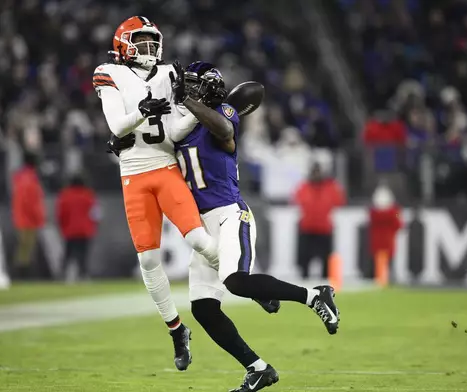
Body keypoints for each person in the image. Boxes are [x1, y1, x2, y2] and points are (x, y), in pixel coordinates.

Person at [114, 61, 341, 392]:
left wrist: (191, 101)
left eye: (190, 86)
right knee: (204, 308)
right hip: (199, 225)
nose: (182, 91)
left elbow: (225, 131)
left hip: (229, 213)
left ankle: (314, 295)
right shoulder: (177, 126)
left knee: (236, 281)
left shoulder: (222, 114)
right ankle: (257, 368)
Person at [94, 16, 222, 371]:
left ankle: (246, 282)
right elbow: (117, 125)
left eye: (153, 41)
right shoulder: (109, 73)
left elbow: (176, 131)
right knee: (148, 261)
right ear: (123, 43)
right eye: (142, 41)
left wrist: (197, 110)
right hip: (133, 174)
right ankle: (177, 331)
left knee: (199, 240)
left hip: (165, 167)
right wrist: (142, 110)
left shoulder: (169, 75)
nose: (149, 48)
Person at [293, 162, 347, 278]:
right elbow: (296, 200)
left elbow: (339, 201)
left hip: (324, 228)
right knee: (304, 258)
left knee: (326, 259)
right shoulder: (304, 187)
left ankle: (325, 281)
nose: (316, 175)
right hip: (307, 227)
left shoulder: (330, 187)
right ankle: (304, 279)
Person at [56, 174, 98, 281]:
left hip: (70, 230)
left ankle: (62, 275)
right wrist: (94, 226)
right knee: (83, 255)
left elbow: (61, 214)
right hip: (85, 230)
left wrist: (62, 227)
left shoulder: (65, 195)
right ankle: (83, 275)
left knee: (68, 254)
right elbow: (95, 214)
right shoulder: (88, 195)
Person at [11, 152, 46, 279]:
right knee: (26, 249)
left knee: (23, 248)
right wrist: (39, 218)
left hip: (21, 218)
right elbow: (32, 202)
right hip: (28, 220)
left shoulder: (21, 178)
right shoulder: (30, 179)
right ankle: (22, 276)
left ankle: (20, 275)